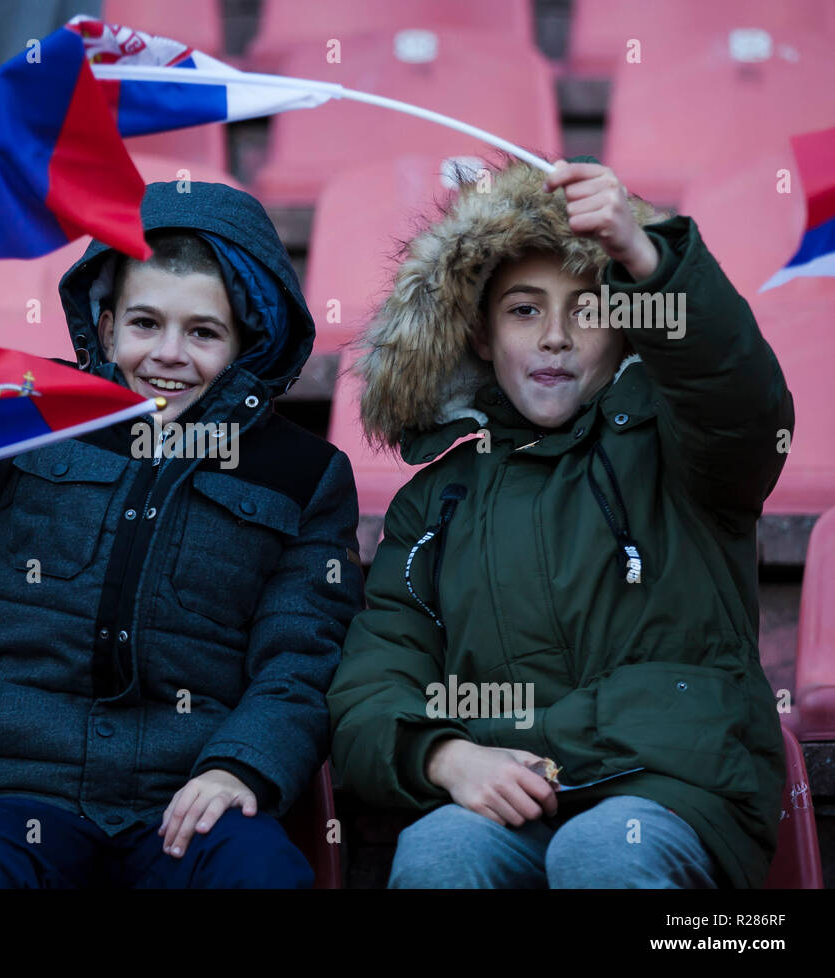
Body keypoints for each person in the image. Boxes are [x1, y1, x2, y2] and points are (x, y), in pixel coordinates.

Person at [0, 120, 365, 888]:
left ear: (247, 344)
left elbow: (301, 658)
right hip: (21, 793)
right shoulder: (38, 410)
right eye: (145, 324)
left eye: (203, 333)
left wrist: (241, 768)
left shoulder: (305, 473)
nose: (168, 354)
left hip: (192, 801)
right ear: (104, 324)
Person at [327, 155, 792, 889]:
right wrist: (443, 756)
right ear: (480, 336)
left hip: (673, 783)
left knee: (604, 850)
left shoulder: (685, 449)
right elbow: (374, 679)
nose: (554, 336)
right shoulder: (435, 502)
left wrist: (643, 255)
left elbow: (741, 405)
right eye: (523, 310)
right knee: (439, 854)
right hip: (511, 786)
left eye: (588, 309)